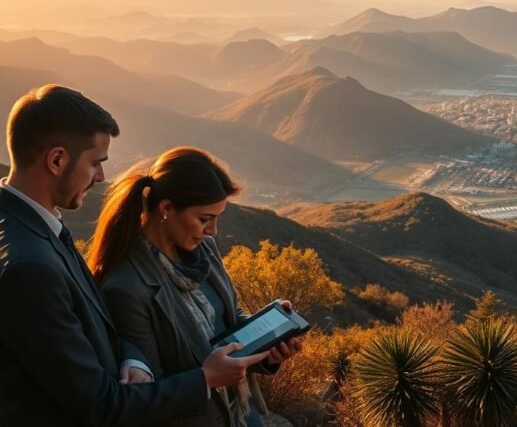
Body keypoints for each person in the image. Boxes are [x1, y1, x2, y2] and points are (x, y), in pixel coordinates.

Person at [0, 84, 270, 426]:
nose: (100, 176)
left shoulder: (33, 229)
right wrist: (203, 379)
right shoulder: (30, 267)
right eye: (96, 163)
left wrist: (132, 361)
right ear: (56, 160)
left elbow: (96, 331)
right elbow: (99, 404)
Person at [90, 146, 303, 427]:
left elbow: (229, 321)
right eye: (205, 219)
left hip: (241, 412)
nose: (213, 230)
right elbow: (147, 391)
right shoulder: (126, 287)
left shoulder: (205, 252)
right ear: (166, 209)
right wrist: (207, 377)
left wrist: (269, 348)